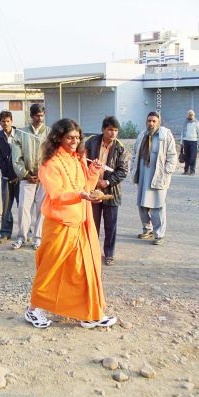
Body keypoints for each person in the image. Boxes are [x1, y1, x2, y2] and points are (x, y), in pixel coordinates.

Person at [25, 118, 117, 329]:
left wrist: (93, 171)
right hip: (59, 224)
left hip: (80, 222)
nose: (75, 141)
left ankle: (89, 313)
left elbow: (87, 186)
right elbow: (57, 194)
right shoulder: (49, 165)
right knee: (50, 268)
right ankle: (33, 310)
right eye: (70, 137)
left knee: (83, 269)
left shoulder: (78, 159)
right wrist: (81, 194)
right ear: (58, 138)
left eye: (77, 137)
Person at [85, 116, 128, 266]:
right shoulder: (91, 142)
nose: (113, 133)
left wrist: (107, 181)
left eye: (116, 130)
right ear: (103, 129)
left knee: (110, 225)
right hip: (93, 190)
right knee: (92, 223)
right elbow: (83, 162)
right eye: (110, 129)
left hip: (111, 193)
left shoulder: (120, 147)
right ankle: (92, 251)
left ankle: (109, 254)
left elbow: (123, 171)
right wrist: (93, 181)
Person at [131, 112, 177, 245]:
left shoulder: (165, 135)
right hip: (143, 175)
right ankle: (147, 229)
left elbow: (172, 155)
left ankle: (159, 235)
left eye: (154, 121)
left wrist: (167, 171)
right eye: (149, 121)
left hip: (158, 176)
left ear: (159, 122)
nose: (151, 123)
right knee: (142, 204)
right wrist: (133, 168)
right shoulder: (142, 135)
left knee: (158, 206)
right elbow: (135, 154)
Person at [11, 104, 50, 250]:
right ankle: (21, 237)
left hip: (43, 179)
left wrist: (43, 174)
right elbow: (16, 157)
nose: (39, 118)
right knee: (23, 208)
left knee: (42, 209)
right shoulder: (21, 133)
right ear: (31, 116)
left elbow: (52, 157)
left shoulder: (49, 133)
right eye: (36, 115)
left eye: (41, 115)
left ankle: (38, 238)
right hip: (27, 178)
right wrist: (25, 174)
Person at [0, 111, 19, 243]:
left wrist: (19, 173)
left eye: (8, 121)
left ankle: (25, 232)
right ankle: (5, 233)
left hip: (20, 177)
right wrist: (8, 174)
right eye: (3, 121)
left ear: (12, 121)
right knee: (6, 206)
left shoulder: (20, 134)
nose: (6, 123)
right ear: (0, 122)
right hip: (7, 178)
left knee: (23, 206)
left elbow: (24, 155)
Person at [180, 109, 199, 175]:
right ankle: (186, 170)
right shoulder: (185, 122)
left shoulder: (196, 123)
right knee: (186, 156)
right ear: (188, 115)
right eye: (189, 114)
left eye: (192, 115)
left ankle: (192, 171)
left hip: (194, 141)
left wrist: (198, 143)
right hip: (186, 141)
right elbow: (182, 132)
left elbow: (198, 133)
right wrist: (181, 142)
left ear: (194, 115)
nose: (190, 116)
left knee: (193, 157)